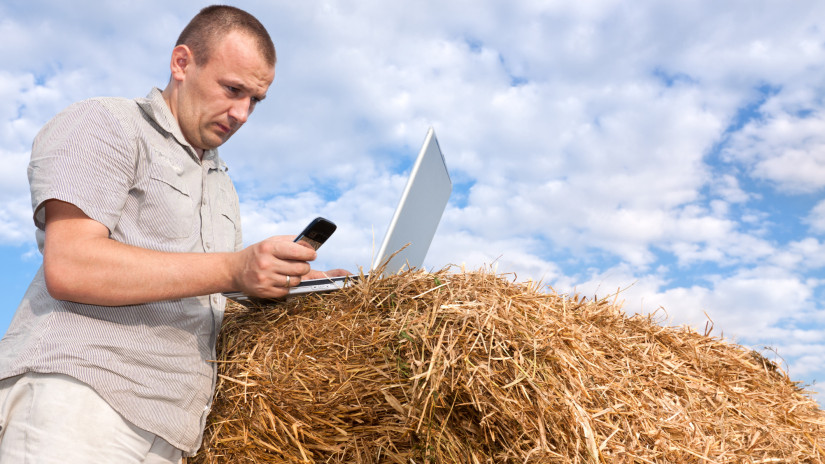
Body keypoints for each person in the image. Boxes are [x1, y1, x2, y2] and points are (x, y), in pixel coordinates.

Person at [0, 5, 346, 463]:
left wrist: (286, 283)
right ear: (182, 63)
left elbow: (203, 289)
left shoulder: (222, 186)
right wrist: (234, 267)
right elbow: (71, 265)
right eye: (232, 89)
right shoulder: (107, 124)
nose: (242, 113)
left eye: (255, 100)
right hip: (82, 404)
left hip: (173, 433)